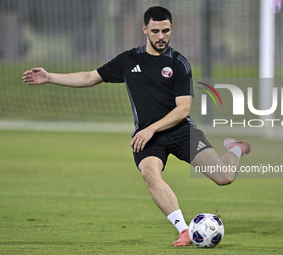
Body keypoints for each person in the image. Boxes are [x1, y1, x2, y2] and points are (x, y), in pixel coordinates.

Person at [22, 6, 250, 247]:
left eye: (165, 30)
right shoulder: (129, 59)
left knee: (225, 177)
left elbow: (183, 109)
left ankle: (235, 148)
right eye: (154, 31)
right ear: (145, 30)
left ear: (171, 28)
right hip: (147, 137)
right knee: (149, 172)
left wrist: (152, 128)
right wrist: (50, 77)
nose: (160, 36)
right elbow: (90, 77)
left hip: (181, 131)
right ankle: (184, 231)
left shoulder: (179, 63)